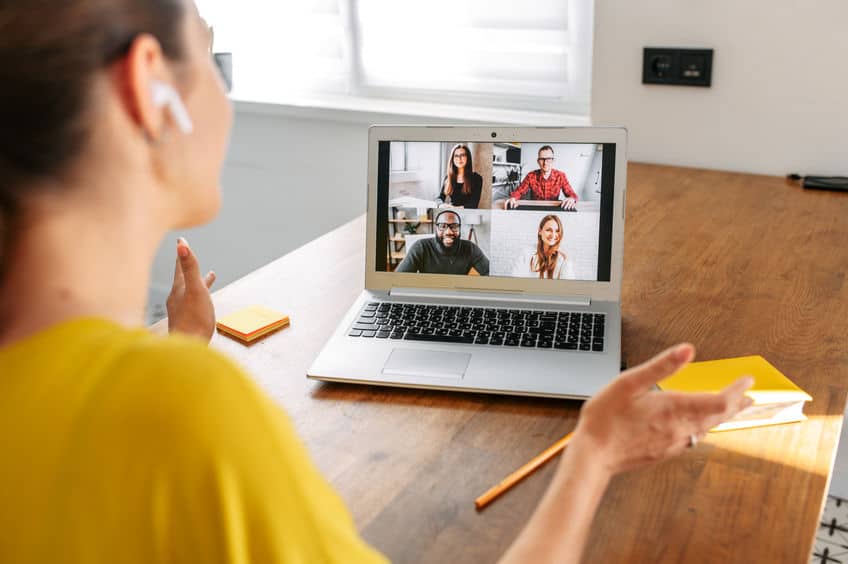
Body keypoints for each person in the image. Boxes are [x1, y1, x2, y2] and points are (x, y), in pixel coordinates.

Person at [0, 1, 754, 562]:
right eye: (214, 60)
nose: (225, 100)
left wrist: (186, 343)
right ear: (148, 87)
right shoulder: (184, 410)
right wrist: (595, 452)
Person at [395, 210, 490, 275]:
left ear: (460, 228)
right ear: (436, 228)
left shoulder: (471, 248)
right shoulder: (421, 247)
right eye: (442, 226)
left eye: (454, 226)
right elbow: (398, 279)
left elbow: (490, 273)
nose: (448, 232)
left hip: (458, 295)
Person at [506, 145, 579, 210]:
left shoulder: (561, 176)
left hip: (553, 210)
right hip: (535, 210)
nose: (545, 163)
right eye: (542, 159)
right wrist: (513, 198)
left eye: (548, 159)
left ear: (553, 161)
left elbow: (571, 193)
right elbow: (519, 191)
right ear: (538, 161)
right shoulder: (531, 175)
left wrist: (572, 199)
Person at [514, 214, 575, 279]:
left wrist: (567, 261)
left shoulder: (563, 258)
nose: (553, 235)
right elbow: (515, 281)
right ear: (540, 231)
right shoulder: (526, 253)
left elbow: (567, 286)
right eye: (549, 230)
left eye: (557, 231)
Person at [436, 143, 483, 209]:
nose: (459, 159)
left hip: (468, 214)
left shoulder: (477, 178)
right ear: (452, 159)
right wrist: (441, 205)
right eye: (456, 156)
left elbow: (473, 204)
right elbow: (439, 198)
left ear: (468, 157)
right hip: (452, 214)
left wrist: (455, 208)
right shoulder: (448, 177)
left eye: (462, 155)